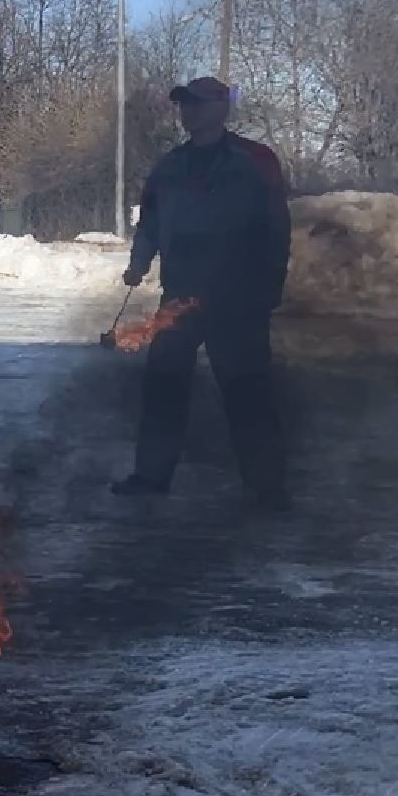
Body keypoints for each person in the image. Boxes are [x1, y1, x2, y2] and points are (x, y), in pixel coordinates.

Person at [114, 76, 292, 509]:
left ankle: (265, 485)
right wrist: (139, 261)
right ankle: (151, 475)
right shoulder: (169, 166)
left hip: (239, 297)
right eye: (183, 105)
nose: (187, 111)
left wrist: (270, 286)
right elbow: (150, 222)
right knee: (163, 384)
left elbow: (276, 227)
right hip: (181, 296)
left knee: (247, 389)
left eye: (196, 103)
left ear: (220, 108)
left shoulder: (254, 161)